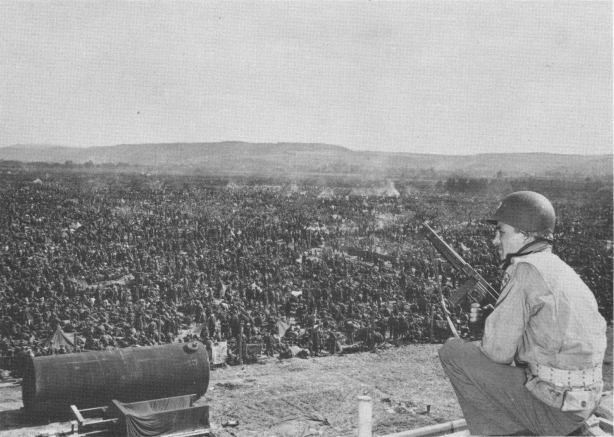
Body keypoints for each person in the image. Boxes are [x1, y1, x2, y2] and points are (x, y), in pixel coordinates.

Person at [438, 191, 607, 436]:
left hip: (555, 410)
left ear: (524, 234)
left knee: (453, 352)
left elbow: (498, 354)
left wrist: (485, 328)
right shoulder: (559, 268)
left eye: (502, 232)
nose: (496, 240)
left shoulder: (524, 269)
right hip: (583, 401)